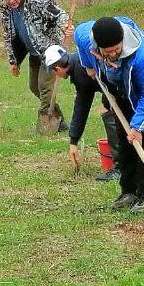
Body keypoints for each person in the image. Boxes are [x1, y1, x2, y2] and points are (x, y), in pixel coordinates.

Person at [84, 16, 144, 214]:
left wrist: (138, 126)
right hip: (122, 86)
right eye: (108, 51)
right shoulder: (87, 36)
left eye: (117, 48)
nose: (113, 53)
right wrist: (89, 65)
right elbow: (81, 42)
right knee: (124, 139)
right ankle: (128, 191)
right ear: (98, 46)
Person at [0, 0, 68, 134]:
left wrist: (66, 26)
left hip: (50, 50)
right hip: (34, 53)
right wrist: (13, 61)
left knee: (44, 87)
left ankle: (45, 127)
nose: (10, 1)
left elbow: (60, 14)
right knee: (34, 87)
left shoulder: (38, 1)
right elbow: (8, 34)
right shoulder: (5, 10)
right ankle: (60, 122)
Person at [43, 40, 122, 181]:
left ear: (57, 68)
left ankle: (120, 168)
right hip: (117, 86)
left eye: (54, 72)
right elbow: (82, 106)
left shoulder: (81, 71)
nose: (56, 76)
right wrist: (74, 140)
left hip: (122, 85)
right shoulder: (78, 63)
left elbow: (82, 106)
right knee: (107, 109)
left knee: (108, 112)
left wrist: (110, 101)